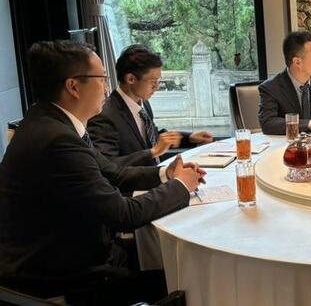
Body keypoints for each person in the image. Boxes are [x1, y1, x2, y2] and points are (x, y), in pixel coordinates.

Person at [0, 41, 205, 303]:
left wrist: (166, 174)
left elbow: (113, 172)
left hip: (74, 250)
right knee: (185, 281)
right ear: (73, 87)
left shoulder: (51, 120)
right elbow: (123, 214)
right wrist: (181, 186)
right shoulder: (56, 140)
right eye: (102, 79)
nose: (108, 87)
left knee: (166, 262)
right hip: (59, 277)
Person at [88, 45, 214, 167]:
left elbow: (152, 137)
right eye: (153, 82)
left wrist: (190, 137)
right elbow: (107, 165)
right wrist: (153, 152)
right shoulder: (105, 115)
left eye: (158, 81)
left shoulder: (143, 103)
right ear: (131, 79)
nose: (157, 87)